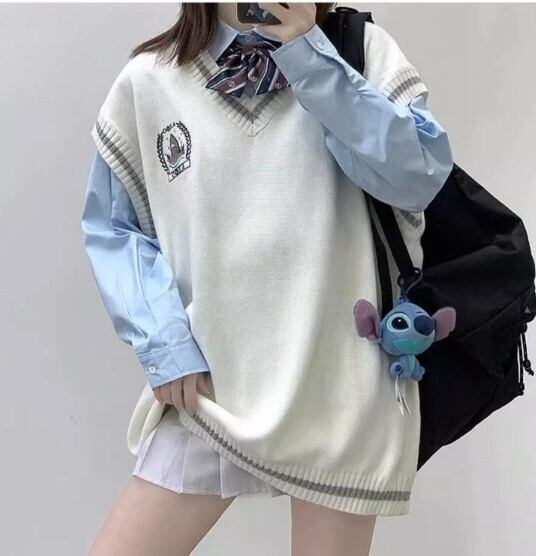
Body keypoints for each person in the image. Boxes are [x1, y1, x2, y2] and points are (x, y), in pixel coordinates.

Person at [81, 3, 454, 555]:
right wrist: (165, 344)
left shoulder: (361, 52)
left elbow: (417, 178)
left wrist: (311, 59)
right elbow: (115, 230)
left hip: (339, 387)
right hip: (207, 390)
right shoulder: (150, 81)